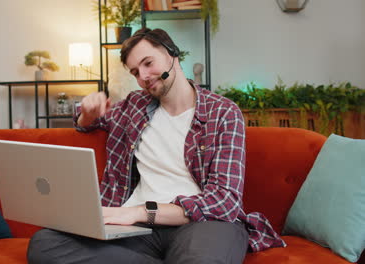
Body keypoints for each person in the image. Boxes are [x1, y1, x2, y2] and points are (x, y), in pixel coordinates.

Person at [27, 28, 286, 264]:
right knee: (44, 245)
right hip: (136, 231)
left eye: (148, 63)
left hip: (202, 224)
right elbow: (85, 123)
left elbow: (223, 201)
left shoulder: (223, 112)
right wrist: (88, 112)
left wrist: (139, 211)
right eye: (135, 72)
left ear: (172, 53)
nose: (144, 77)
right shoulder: (133, 107)